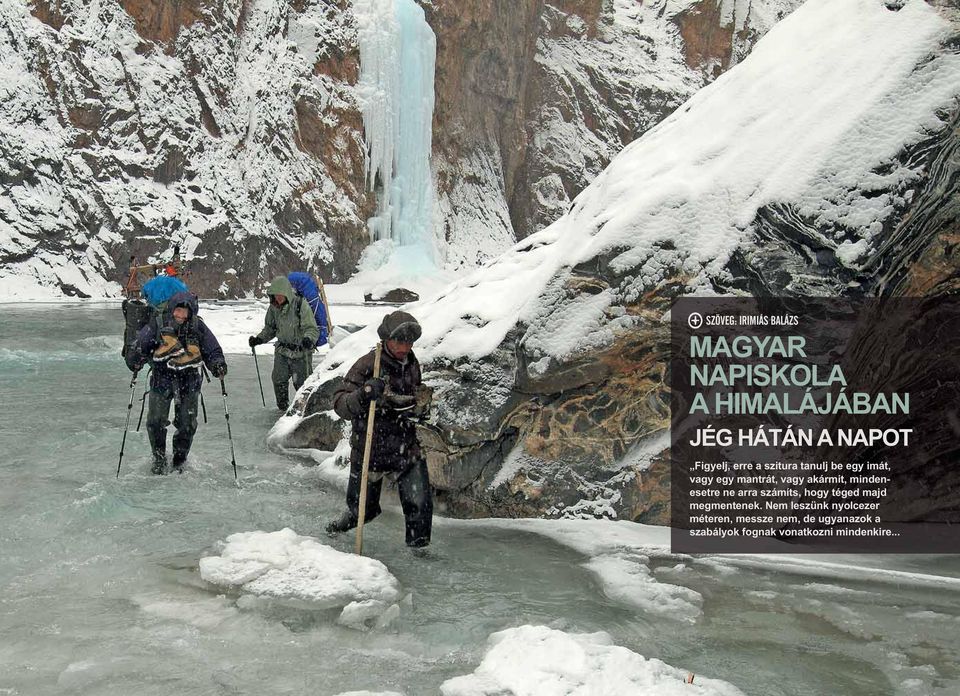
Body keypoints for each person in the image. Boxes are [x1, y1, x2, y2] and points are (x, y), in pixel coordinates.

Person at [326, 311, 433, 548]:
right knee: (362, 511)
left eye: (409, 342)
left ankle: (420, 557)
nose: (405, 347)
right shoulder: (367, 364)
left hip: (406, 448)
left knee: (421, 505)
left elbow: (411, 400)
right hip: (370, 449)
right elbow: (340, 405)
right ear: (386, 339)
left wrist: (419, 409)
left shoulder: (412, 364)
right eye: (399, 341)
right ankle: (334, 530)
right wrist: (364, 393)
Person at [126, 292, 227, 474]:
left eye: (185, 312)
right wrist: (135, 359)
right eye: (178, 311)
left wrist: (217, 364)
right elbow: (141, 344)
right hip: (161, 379)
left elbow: (212, 349)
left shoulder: (198, 326)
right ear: (172, 309)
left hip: (189, 381)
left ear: (191, 313)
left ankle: (180, 460)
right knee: (156, 421)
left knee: (187, 424)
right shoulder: (158, 323)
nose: (180, 316)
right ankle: (159, 458)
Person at [248, 276, 319, 411]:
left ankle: (304, 410)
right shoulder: (273, 308)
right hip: (282, 352)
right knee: (278, 380)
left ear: (286, 293)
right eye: (275, 296)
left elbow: (311, 328)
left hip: (301, 353)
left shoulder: (300, 304)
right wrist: (259, 339)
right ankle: (282, 408)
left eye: (280, 295)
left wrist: (308, 339)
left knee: (302, 384)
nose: (278, 299)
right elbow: (270, 328)